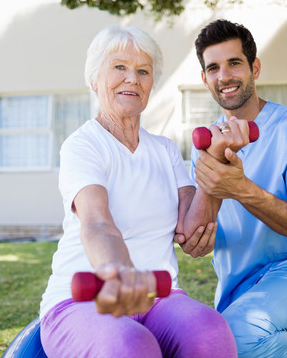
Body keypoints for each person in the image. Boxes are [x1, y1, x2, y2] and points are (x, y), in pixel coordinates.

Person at [39, 25, 239, 358]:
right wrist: (120, 274)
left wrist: (217, 166)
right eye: (119, 67)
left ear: (150, 85)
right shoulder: (83, 146)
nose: (132, 78)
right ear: (94, 79)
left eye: (143, 71)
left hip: (158, 297)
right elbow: (97, 222)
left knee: (211, 332)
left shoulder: (165, 150)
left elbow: (191, 234)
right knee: (131, 346)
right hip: (85, 299)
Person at [175, 19, 287, 358]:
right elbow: (196, 244)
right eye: (214, 68)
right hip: (238, 285)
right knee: (217, 343)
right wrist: (215, 172)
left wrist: (241, 187)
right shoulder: (205, 146)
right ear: (205, 78)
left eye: (234, 63)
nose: (225, 76)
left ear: (255, 68)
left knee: (239, 335)